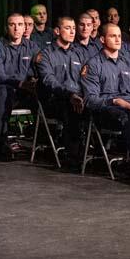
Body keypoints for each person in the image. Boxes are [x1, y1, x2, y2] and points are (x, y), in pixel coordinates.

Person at [80, 22, 130, 182]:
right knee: (128, 116)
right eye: (113, 36)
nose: (118, 39)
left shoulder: (128, 62)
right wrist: (115, 101)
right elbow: (91, 100)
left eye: (119, 36)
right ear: (102, 39)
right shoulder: (93, 64)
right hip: (106, 111)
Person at [33, 16, 87, 168]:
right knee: (72, 108)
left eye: (73, 29)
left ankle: (91, 152)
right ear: (57, 31)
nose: (72, 31)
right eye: (67, 28)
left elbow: (86, 78)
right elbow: (49, 81)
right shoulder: (46, 54)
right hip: (55, 99)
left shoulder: (78, 53)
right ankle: (73, 157)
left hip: (78, 97)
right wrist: (70, 95)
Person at [0, 14, 35, 160]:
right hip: (1, 92)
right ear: (6, 28)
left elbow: (39, 68)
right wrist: (19, 83)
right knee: (4, 90)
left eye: (20, 24)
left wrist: (33, 80)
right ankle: (2, 142)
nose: (16, 28)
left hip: (24, 92)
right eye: (12, 25)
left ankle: (48, 139)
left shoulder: (31, 46)